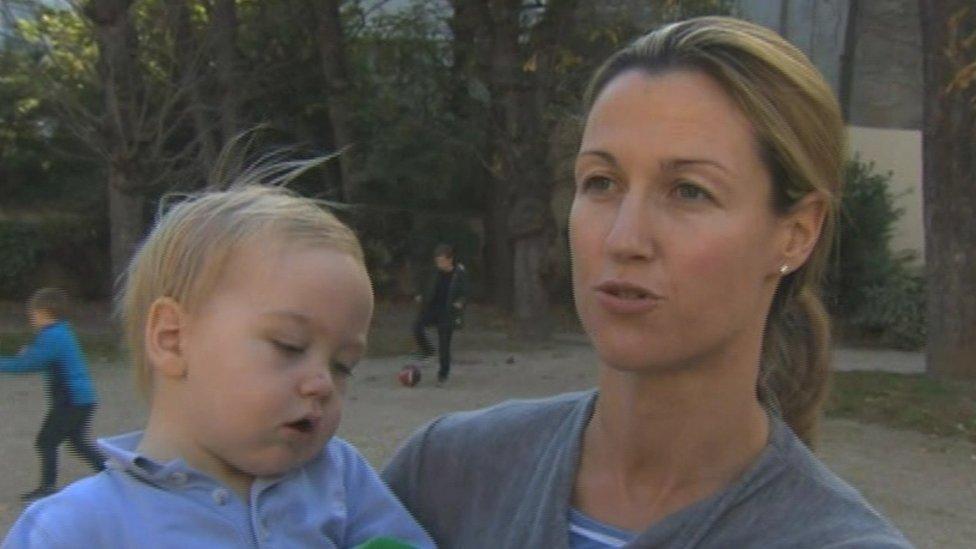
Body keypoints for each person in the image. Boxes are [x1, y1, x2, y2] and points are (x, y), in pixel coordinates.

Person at [383, 17, 911, 548]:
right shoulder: (446, 478)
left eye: (688, 191)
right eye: (601, 182)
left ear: (796, 234)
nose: (623, 238)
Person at [4, 182, 434, 548]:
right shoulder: (76, 528)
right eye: (288, 345)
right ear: (172, 339)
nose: (323, 383)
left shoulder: (340, 479)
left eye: (344, 366)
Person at [0, 288, 105, 502]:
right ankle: (113, 476)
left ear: (45, 313)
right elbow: (42, 356)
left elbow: (31, 363)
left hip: (71, 400)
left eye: (33, 314)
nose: (32, 319)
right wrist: (31, 352)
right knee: (76, 442)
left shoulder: (53, 336)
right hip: (79, 399)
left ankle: (48, 487)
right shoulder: (59, 333)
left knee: (47, 441)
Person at [412, 243, 467, 384]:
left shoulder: (458, 273)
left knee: (444, 344)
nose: (439, 264)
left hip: (447, 311)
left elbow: (465, 292)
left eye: (442, 261)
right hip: (432, 308)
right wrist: (420, 294)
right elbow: (423, 282)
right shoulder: (433, 272)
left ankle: (443, 374)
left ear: (450, 260)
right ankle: (428, 350)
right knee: (417, 327)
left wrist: (460, 302)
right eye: (437, 261)